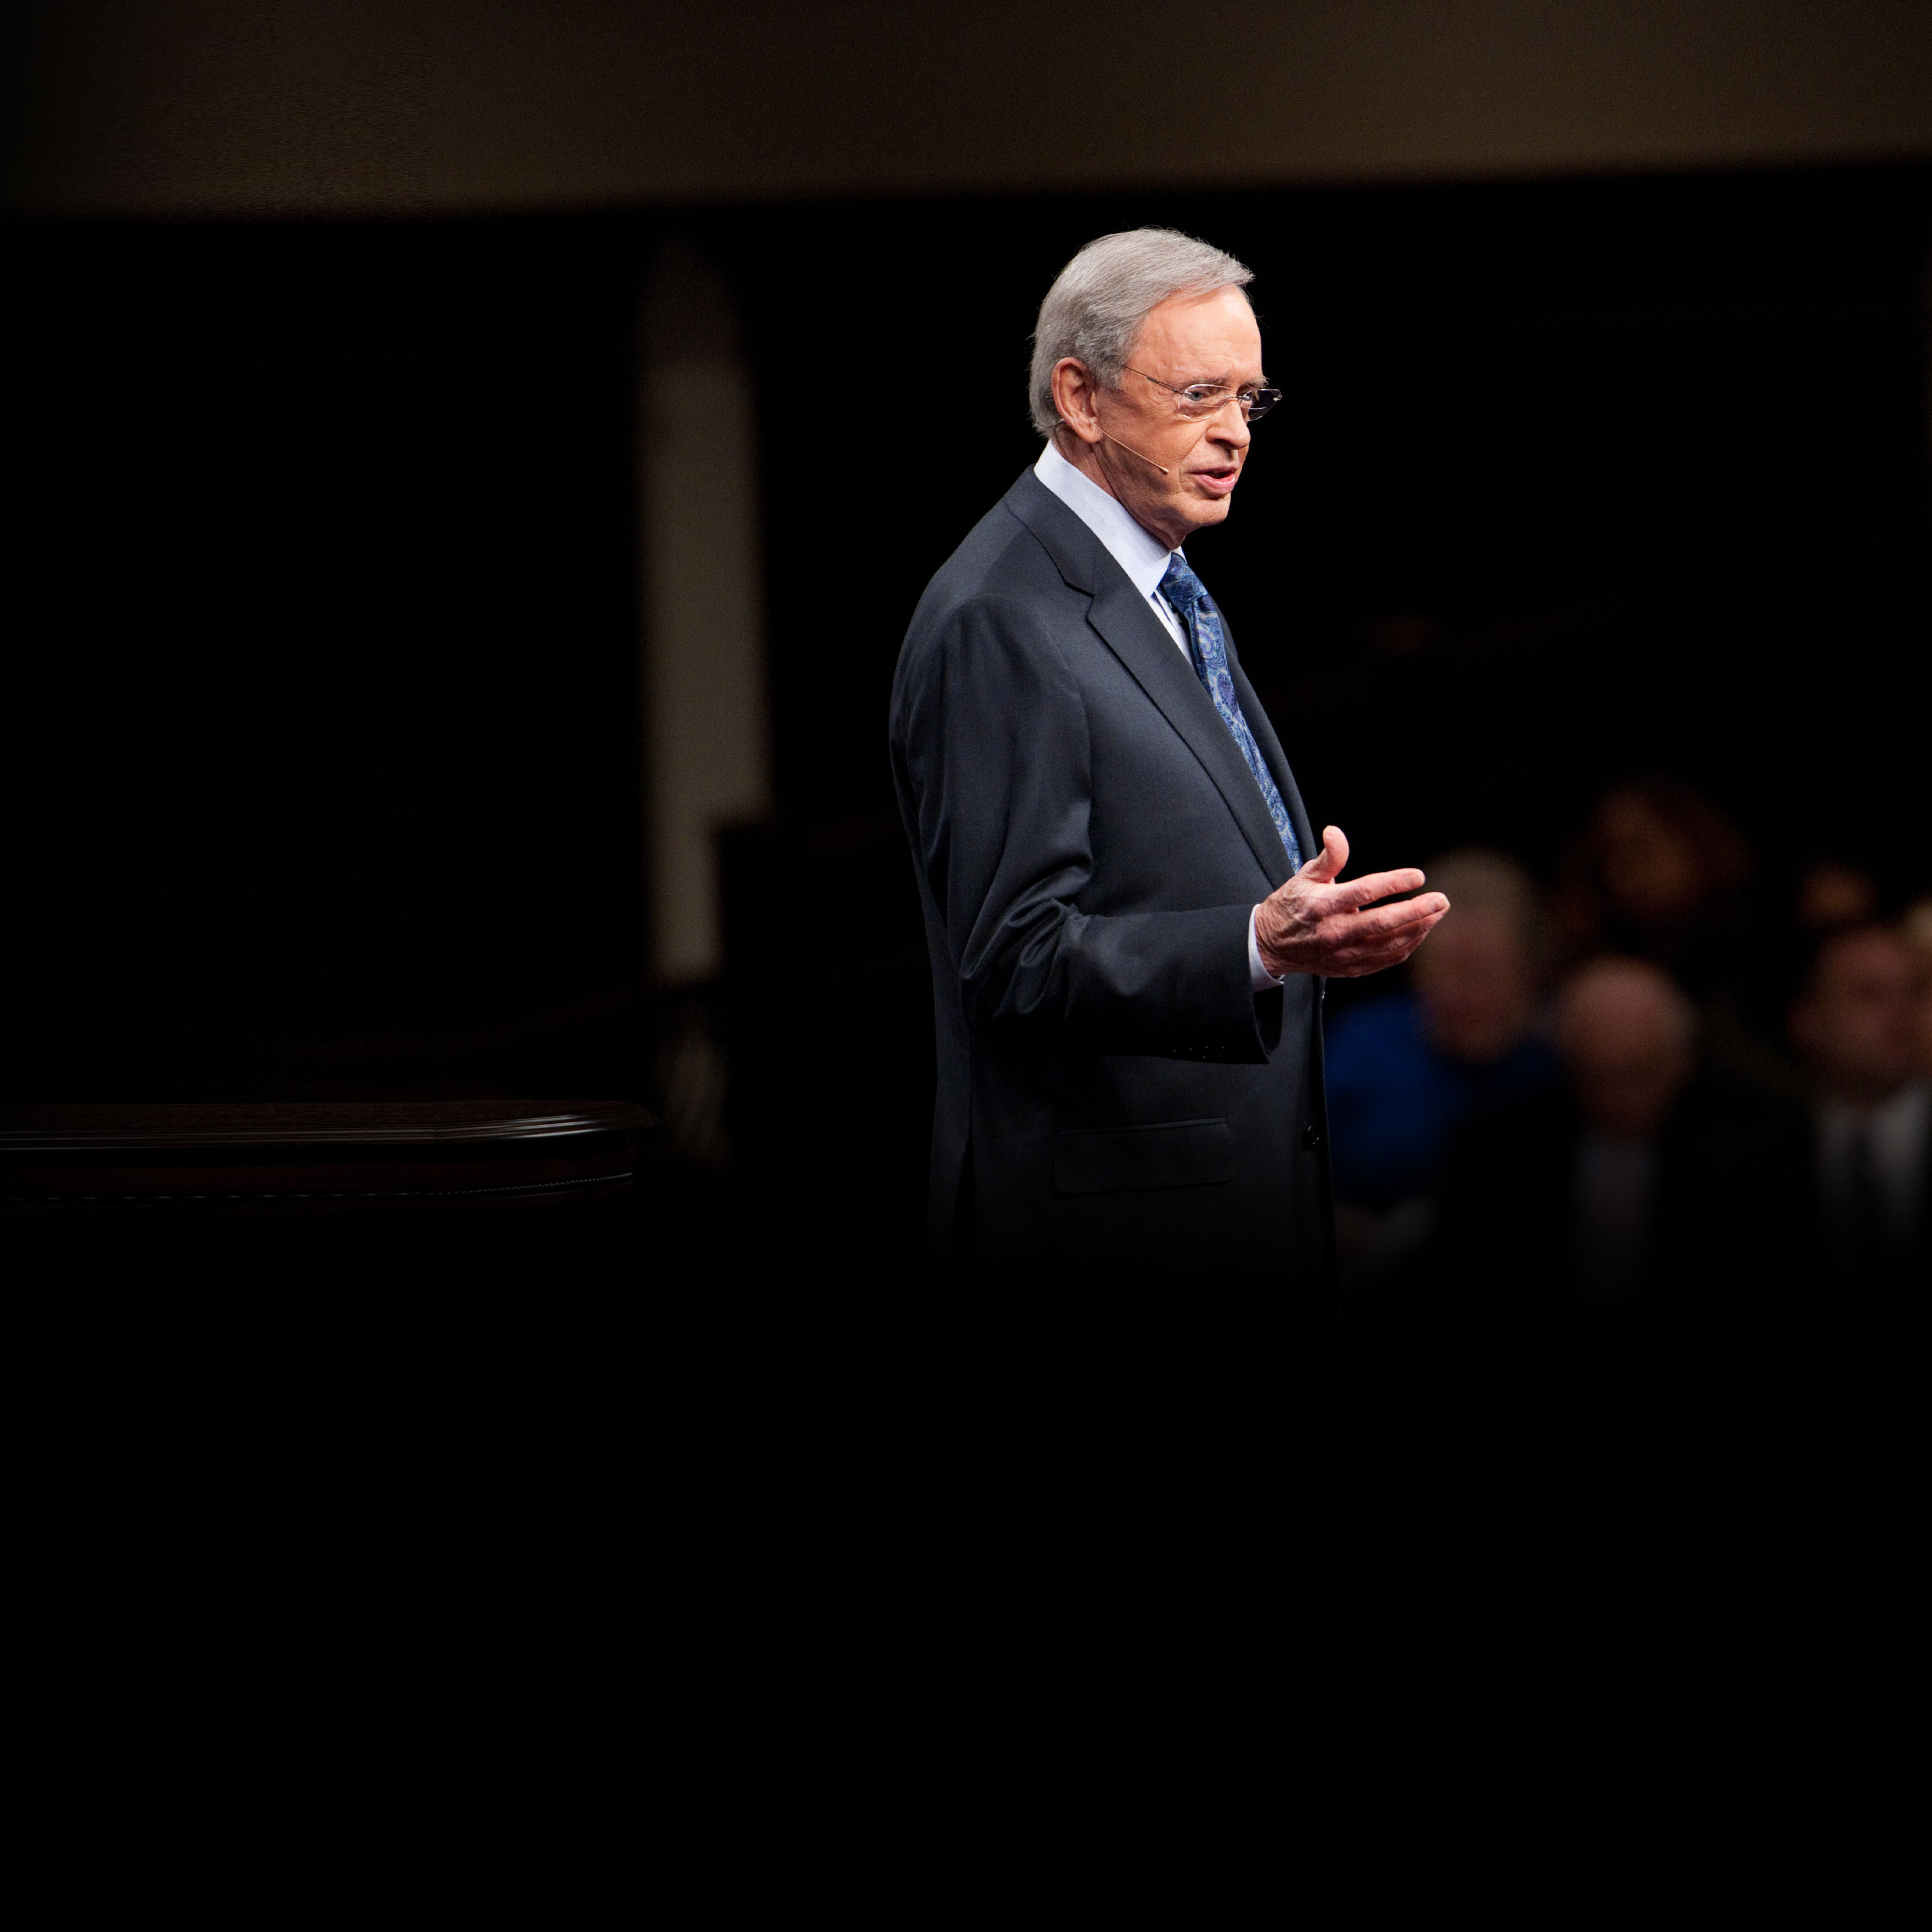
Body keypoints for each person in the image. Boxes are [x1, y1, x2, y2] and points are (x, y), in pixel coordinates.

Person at [889, 229, 1446, 1300]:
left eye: (1250, 399)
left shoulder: (1157, 580)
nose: (1234, 431)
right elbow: (1011, 961)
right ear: (1081, 398)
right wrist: (1254, 946)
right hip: (1110, 1254)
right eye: (1198, 396)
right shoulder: (1002, 616)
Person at [1432, 958, 1810, 1345]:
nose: (1615, 1099)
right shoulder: (1505, 1148)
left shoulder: (1751, 1150)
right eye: (1597, 1076)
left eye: (1635, 1075)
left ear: (1682, 1062)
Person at [1325, 849, 1559, 1282]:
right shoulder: (1363, 1046)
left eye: (1485, 972)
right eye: (1448, 969)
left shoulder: (1557, 1064)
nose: (1463, 993)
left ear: (1529, 969)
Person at [1788, 923, 1929, 1294]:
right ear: (1807, 1019)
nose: (1900, 1012)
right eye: (1869, 994)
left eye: (1915, 991)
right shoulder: (1755, 1155)